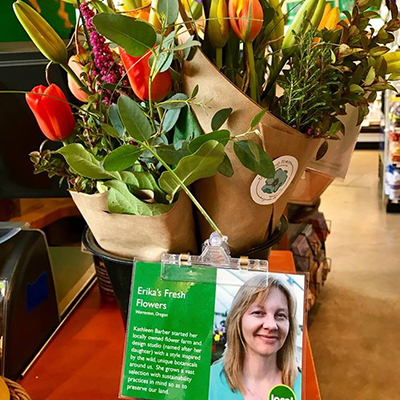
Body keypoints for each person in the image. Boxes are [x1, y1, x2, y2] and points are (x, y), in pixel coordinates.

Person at [209, 274, 302, 400]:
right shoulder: (209, 380)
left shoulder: (303, 385)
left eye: (280, 315)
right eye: (258, 313)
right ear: (238, 320)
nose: (271, 325)